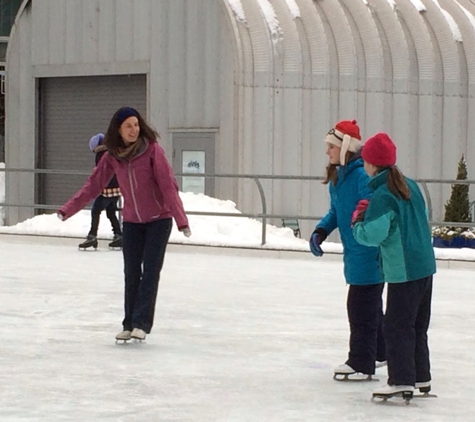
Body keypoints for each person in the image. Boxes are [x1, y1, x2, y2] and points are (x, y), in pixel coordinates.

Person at [57, 107, 191, 342]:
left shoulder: (151, 151)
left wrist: (181, 220)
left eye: (136, 125)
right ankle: (128, 323)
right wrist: (68, 209)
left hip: (159, 220)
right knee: (131, 272)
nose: (134, 130)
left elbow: (168, 185)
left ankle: (141, 324)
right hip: (131, 222)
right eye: (128, 126)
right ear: (118, 129)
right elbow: (93, 185)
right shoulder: (113, 157)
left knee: (149, 272)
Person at [352, 132, 436, 400]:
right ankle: (421, 376)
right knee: (417, 325)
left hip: (404, 271)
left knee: (397, 326)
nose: (363, 166)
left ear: (373, 164)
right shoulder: (409, 185)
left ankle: (401, 380)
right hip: (424, 267)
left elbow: (372, 236)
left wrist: (357, 223)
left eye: (365, 161)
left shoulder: (383, 195)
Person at [309, 120, 386, 381]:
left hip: (368, 251)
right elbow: (336, 211)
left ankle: (361, 363)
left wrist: (361, 224)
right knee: (370, 307)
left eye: (331, 146)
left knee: (360, 307)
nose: (327, 151)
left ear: (345, 148)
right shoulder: (338, 178)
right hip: (355, 252)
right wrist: (321, 230)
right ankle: (382, 353)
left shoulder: (361, 176)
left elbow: (373, 205)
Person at [78, 133, 122, 250]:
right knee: (111, 212)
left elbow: (101, 174)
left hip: (107, 189)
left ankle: (92, 236)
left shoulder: (101, 155)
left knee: (95, 211)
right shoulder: (113, 152)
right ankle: (118, 235)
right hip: (117, 188)